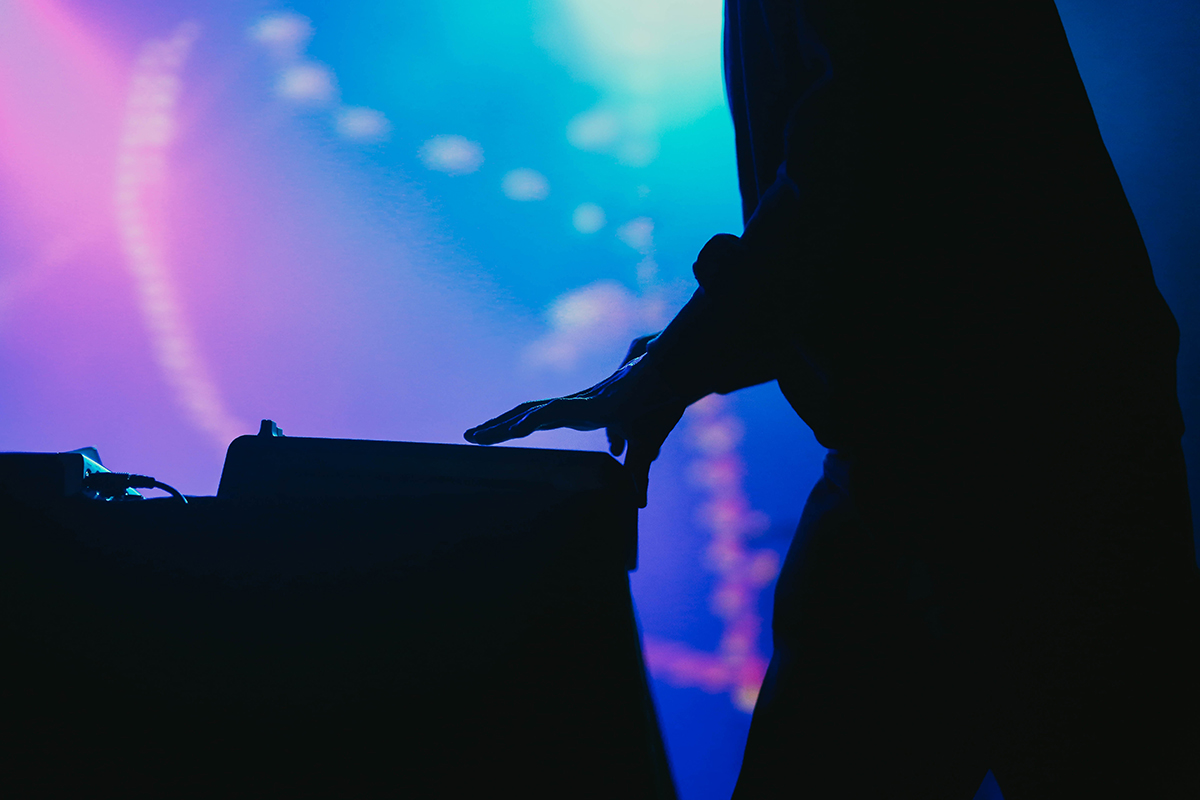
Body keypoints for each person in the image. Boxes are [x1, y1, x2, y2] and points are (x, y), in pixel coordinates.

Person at [466, 1, 1200, 796]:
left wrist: (680, 361)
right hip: (951, 438)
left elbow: (862, 153)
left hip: (1017, 447)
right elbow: (889, 216)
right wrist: (688, 357)